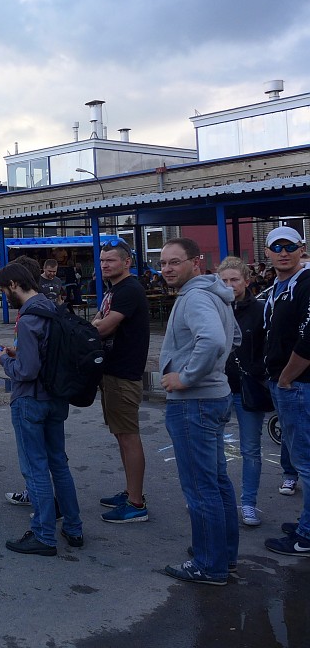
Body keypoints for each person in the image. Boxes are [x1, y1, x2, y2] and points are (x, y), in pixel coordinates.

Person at [158, 238, 240, 584]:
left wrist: (187, 376)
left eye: (174, 262)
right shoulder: (214, 293)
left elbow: (215, 340)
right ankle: (221, 554)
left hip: (195, 403)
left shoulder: (195, 297)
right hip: (212, 397)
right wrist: (212, 370)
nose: (167, 269)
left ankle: (209, 564)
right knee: (216, 481)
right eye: (163, 263)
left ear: (196, 262)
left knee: (200, 486)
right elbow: (233, 338)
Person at [0, 262, 83, 555]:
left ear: (14, 285)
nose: (4, 295)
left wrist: (5, 360)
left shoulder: (28, 318)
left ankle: (43, 535)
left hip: (31, 400)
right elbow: (44, 354)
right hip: (57, 397)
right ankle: (74, 527)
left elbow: (27, 371)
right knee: (59, 464)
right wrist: (19, 352)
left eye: (4, 290)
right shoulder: (53, 308)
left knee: (35, 468)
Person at [91, 240, 151, 523]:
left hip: (124, 374)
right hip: (112, 372)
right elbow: (97, 321)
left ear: (127, 262)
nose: (104, 265)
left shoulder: (129, 289)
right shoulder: (114, 290)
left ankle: (136, 504)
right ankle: (130, 492)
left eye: (111, 260)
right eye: (102, 260)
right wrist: (94, 326)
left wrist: (93, 328)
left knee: (128, 436)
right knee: (120, 434)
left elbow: (101, 328)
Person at [261, 226, 310, 558]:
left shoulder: (305, 283)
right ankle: (306, 522)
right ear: (267, 252)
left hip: (298, 385)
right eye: (276, 247)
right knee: (300, 457)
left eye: (289, 246)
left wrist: (287, 377)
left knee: (306, 462)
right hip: (287, 383)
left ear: (301, 248)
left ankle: (307, 536)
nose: (283, 252)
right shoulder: (278, 287)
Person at [217, 257, 269, 527]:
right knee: (213, 448)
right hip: (217, 389)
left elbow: (269, 348)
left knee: (250, 449)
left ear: (246, 281)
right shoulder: (214, 308)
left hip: (248, 389)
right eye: (224, 280)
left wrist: (257, 371)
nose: (229, 285)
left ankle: (248, 503)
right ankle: (216, 500)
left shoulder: (261, 309)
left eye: (234, 279)